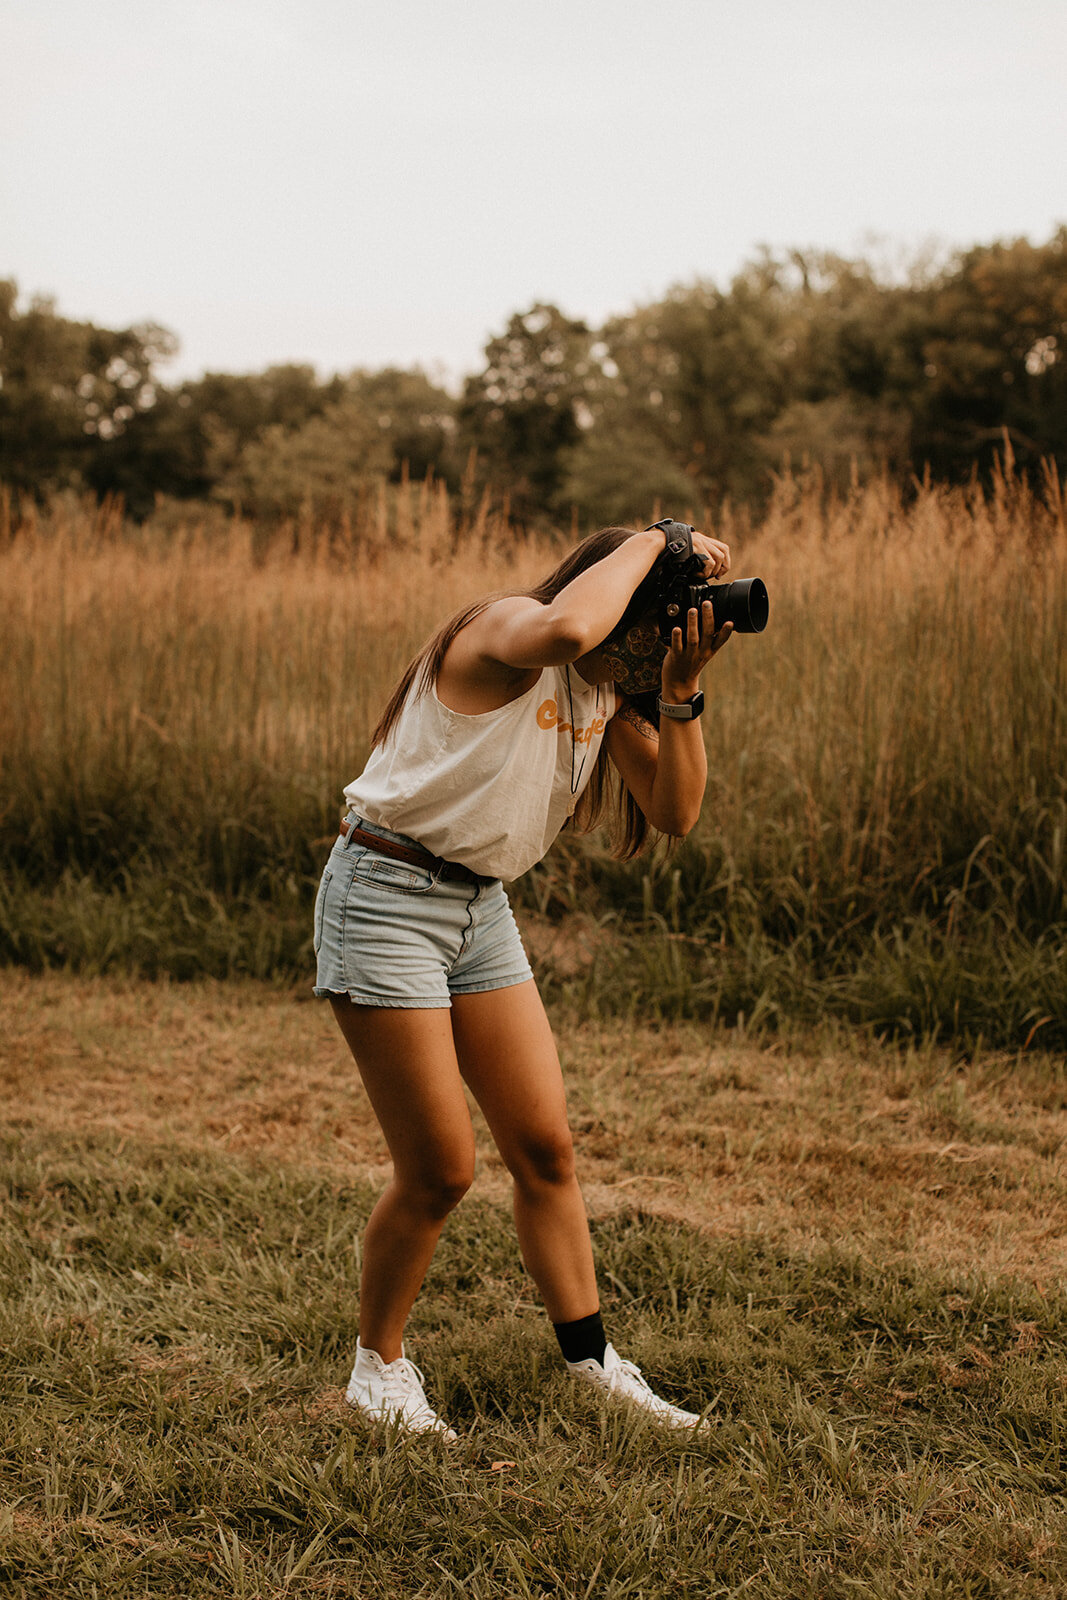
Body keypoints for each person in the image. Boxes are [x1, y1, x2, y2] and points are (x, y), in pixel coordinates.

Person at [313, 520, 733, 1439]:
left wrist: (679, 692)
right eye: (661, 614)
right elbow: (569, 630)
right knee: (439, 1170)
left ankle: (591, 1360)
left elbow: (675, 813)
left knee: (545, 1149)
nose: (666, 628)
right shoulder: (506, 631)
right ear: (613, 592)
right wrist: (660, 540)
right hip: (385, 894)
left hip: (477, 910)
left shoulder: (604, 700)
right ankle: (375, 1369)